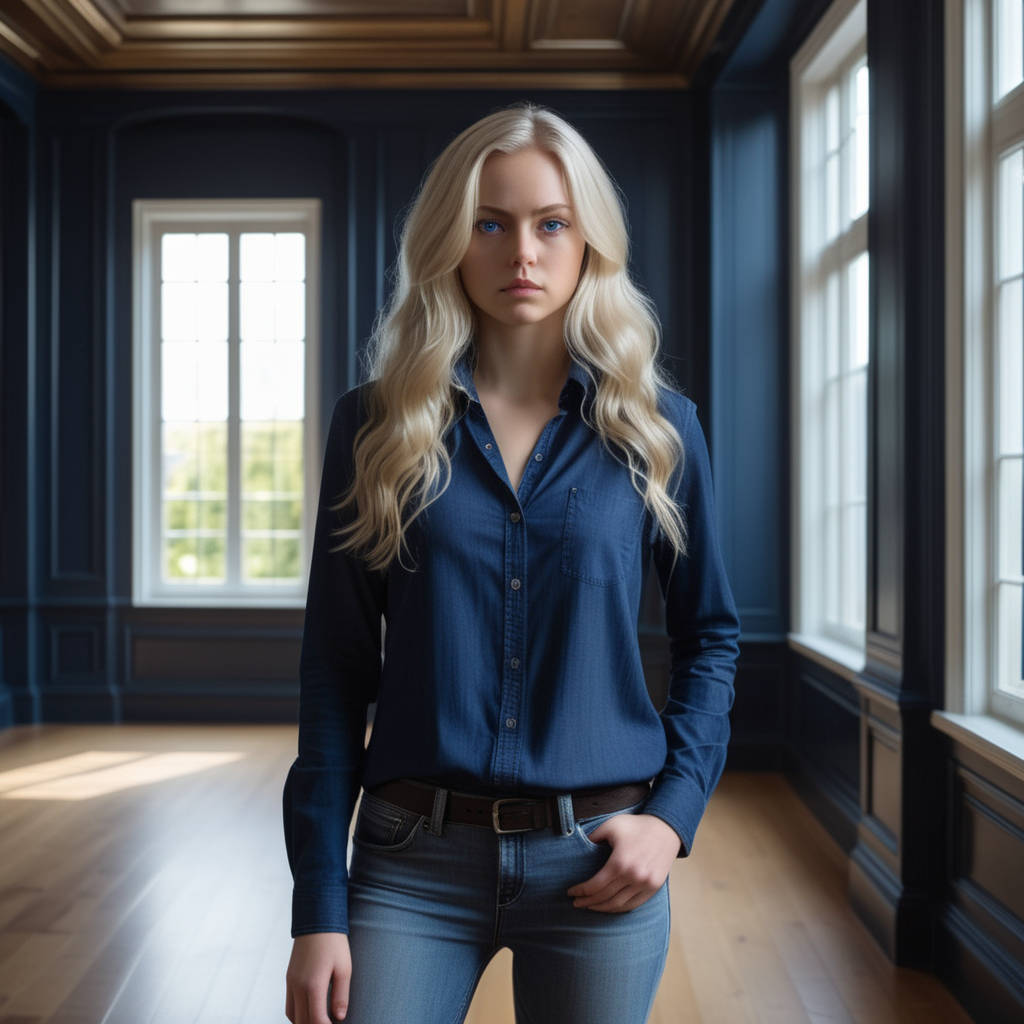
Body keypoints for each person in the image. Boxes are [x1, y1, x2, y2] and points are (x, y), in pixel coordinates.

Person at [283, 103, 740, 1024]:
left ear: (588, 242)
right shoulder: (372, 426)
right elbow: (335, 670)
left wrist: (672, 814)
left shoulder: (659, 430)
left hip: (599, 861)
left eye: (550, 224)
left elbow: (713, 638)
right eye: (489, 223)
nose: (521, 253)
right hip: (409, 861)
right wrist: (318, 907)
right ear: (451, 240)